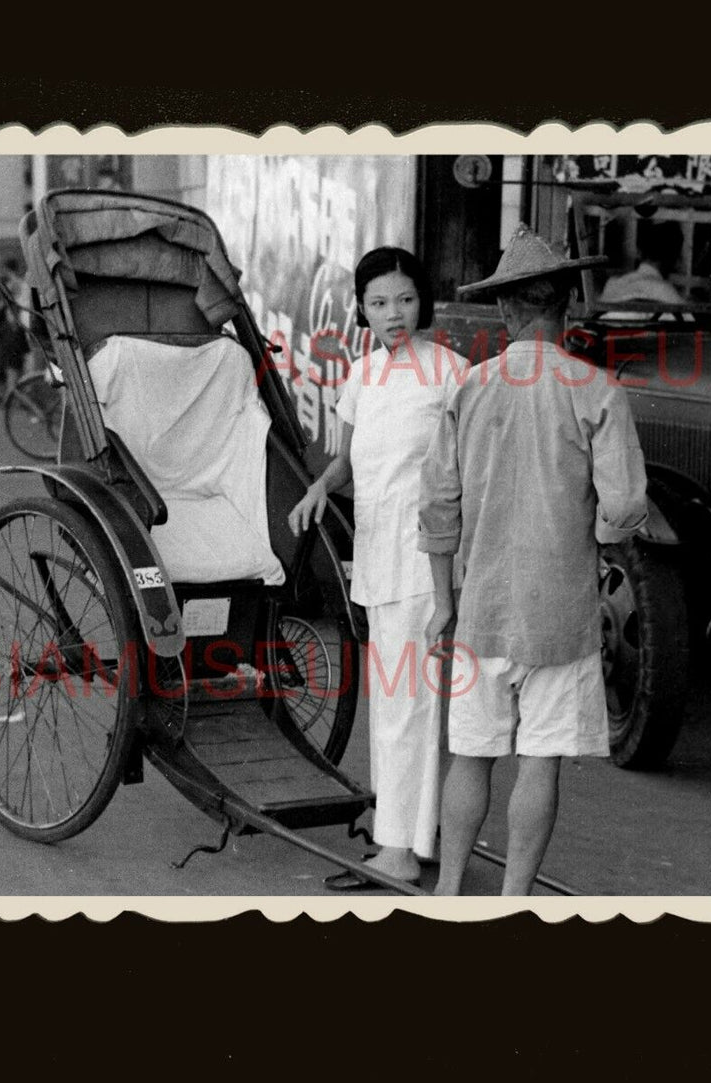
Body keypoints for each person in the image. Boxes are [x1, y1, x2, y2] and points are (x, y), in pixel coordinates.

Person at [418, 225, 649, 895]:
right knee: (539, 761)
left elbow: (436, 506)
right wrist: (598, 539)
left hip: (479, 610)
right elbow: (624, 506)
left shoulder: (468, 388)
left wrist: (442, 603)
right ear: (566, 308)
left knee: (469, 756)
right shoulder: (596, 390)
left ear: (504, 309)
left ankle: (448, 890)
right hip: (561, 615)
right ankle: (513, 897)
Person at [288, 246, 470, 889]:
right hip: (377, 556)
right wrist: (319, 487)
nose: (394, 313)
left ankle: (400, 847)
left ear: (423, 301)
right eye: (379, 303)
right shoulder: (360, 377)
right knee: (402, 701)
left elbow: (464, 474)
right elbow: (354, 462)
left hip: (427, 560)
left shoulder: (452, 372)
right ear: (362, 310)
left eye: (405, 300)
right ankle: (414, 833)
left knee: (408, 703)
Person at [599, 218, 685, 316]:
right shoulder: (668, 294)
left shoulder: (613, 284)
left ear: (639, 252)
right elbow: (688, 326)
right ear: (674, 258)